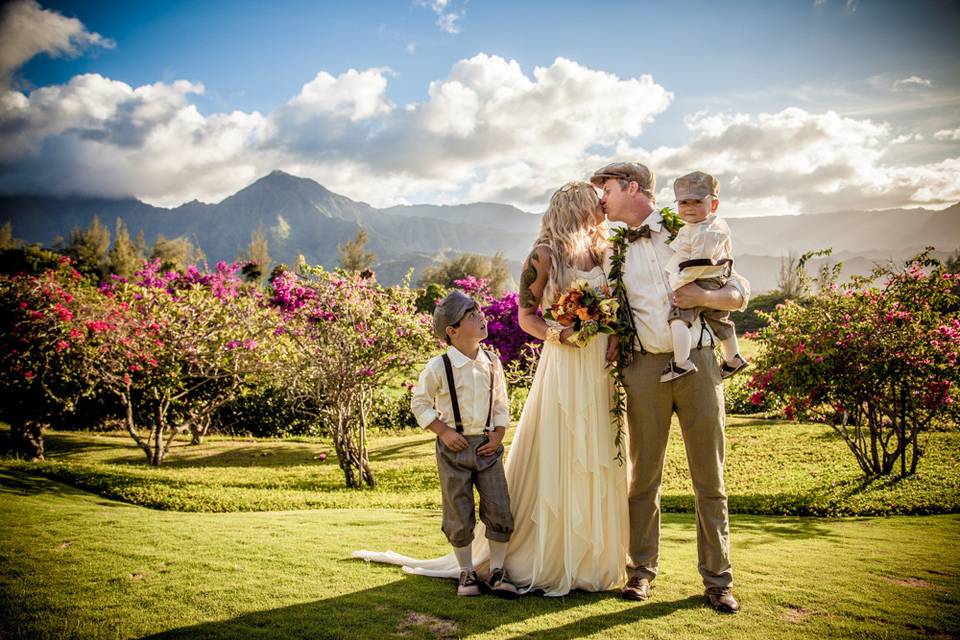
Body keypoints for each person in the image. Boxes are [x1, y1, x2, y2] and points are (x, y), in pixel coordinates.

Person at [354, 182, 628, 597]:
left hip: (600, 368)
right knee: (565, 449)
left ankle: (593, 558)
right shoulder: (543, 256)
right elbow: (526, 316)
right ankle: (548, 556)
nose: (604, 207)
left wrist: (612, 335)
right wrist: (560, 335)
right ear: (577, 206)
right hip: (566, 362)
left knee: (599, 452)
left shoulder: (605, 252)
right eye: (597, 202)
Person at [591, 161, 749, 614]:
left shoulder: (689, 225)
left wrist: (707, 298)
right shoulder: (610, 249)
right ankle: (639, 573)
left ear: (631, 187)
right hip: (642, 369)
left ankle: (719, 581)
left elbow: (737, 288)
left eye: (606, 190)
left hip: (698, 363)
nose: (601, 199)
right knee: (643, 478)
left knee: (710, 479)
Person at [660, 171, 748, 382]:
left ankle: (681, 363)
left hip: (702, 278)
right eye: (683, 202)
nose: (689, 208)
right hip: (714, 278)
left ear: (713, 204)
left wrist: (677, 283)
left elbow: (697, 264)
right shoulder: (700, 227)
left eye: (697, 201)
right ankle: (734, 358)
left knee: (679, 319)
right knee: (719, 319)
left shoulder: (705, 232)